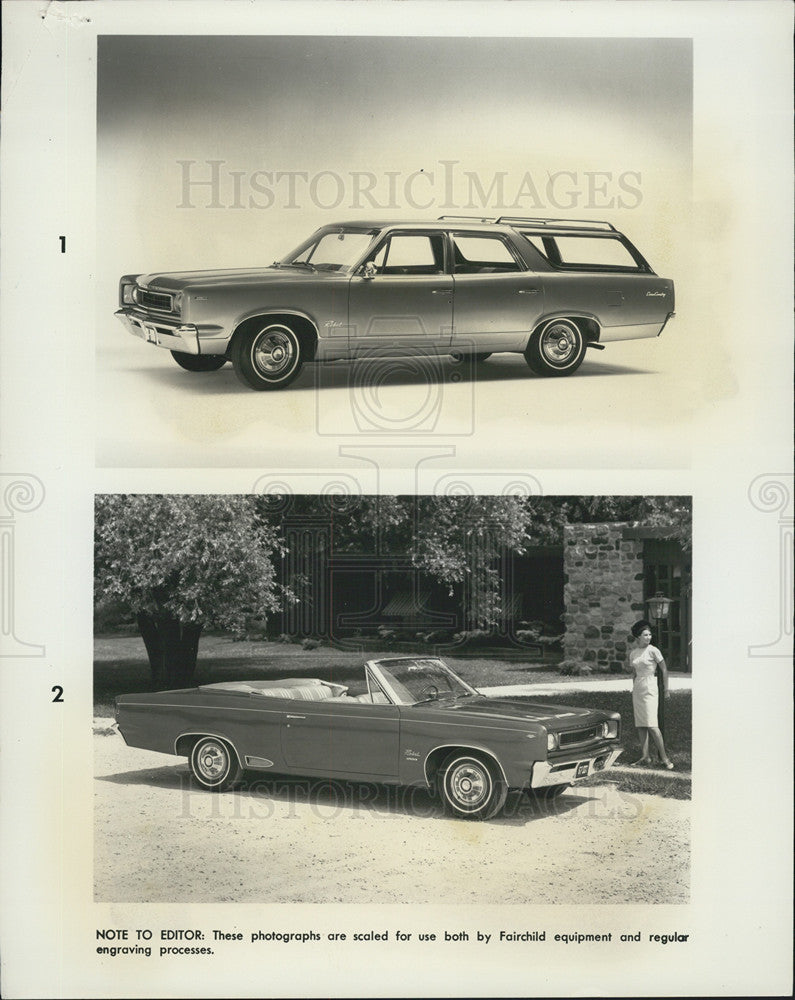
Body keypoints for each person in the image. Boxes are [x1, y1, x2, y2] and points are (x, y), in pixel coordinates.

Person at [625, 620, 674, 769]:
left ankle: (664, 758)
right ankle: (645, 756)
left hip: (650, 687)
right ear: (638, 637)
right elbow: (634, 673)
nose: (648, 637)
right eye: (645, 635)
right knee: (641, 724)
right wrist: (633, 687)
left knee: (652, 725)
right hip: (638, 689)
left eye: (650, 634)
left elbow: (664, 669)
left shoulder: (653, 650)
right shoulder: (633, 653)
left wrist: (666, 689)